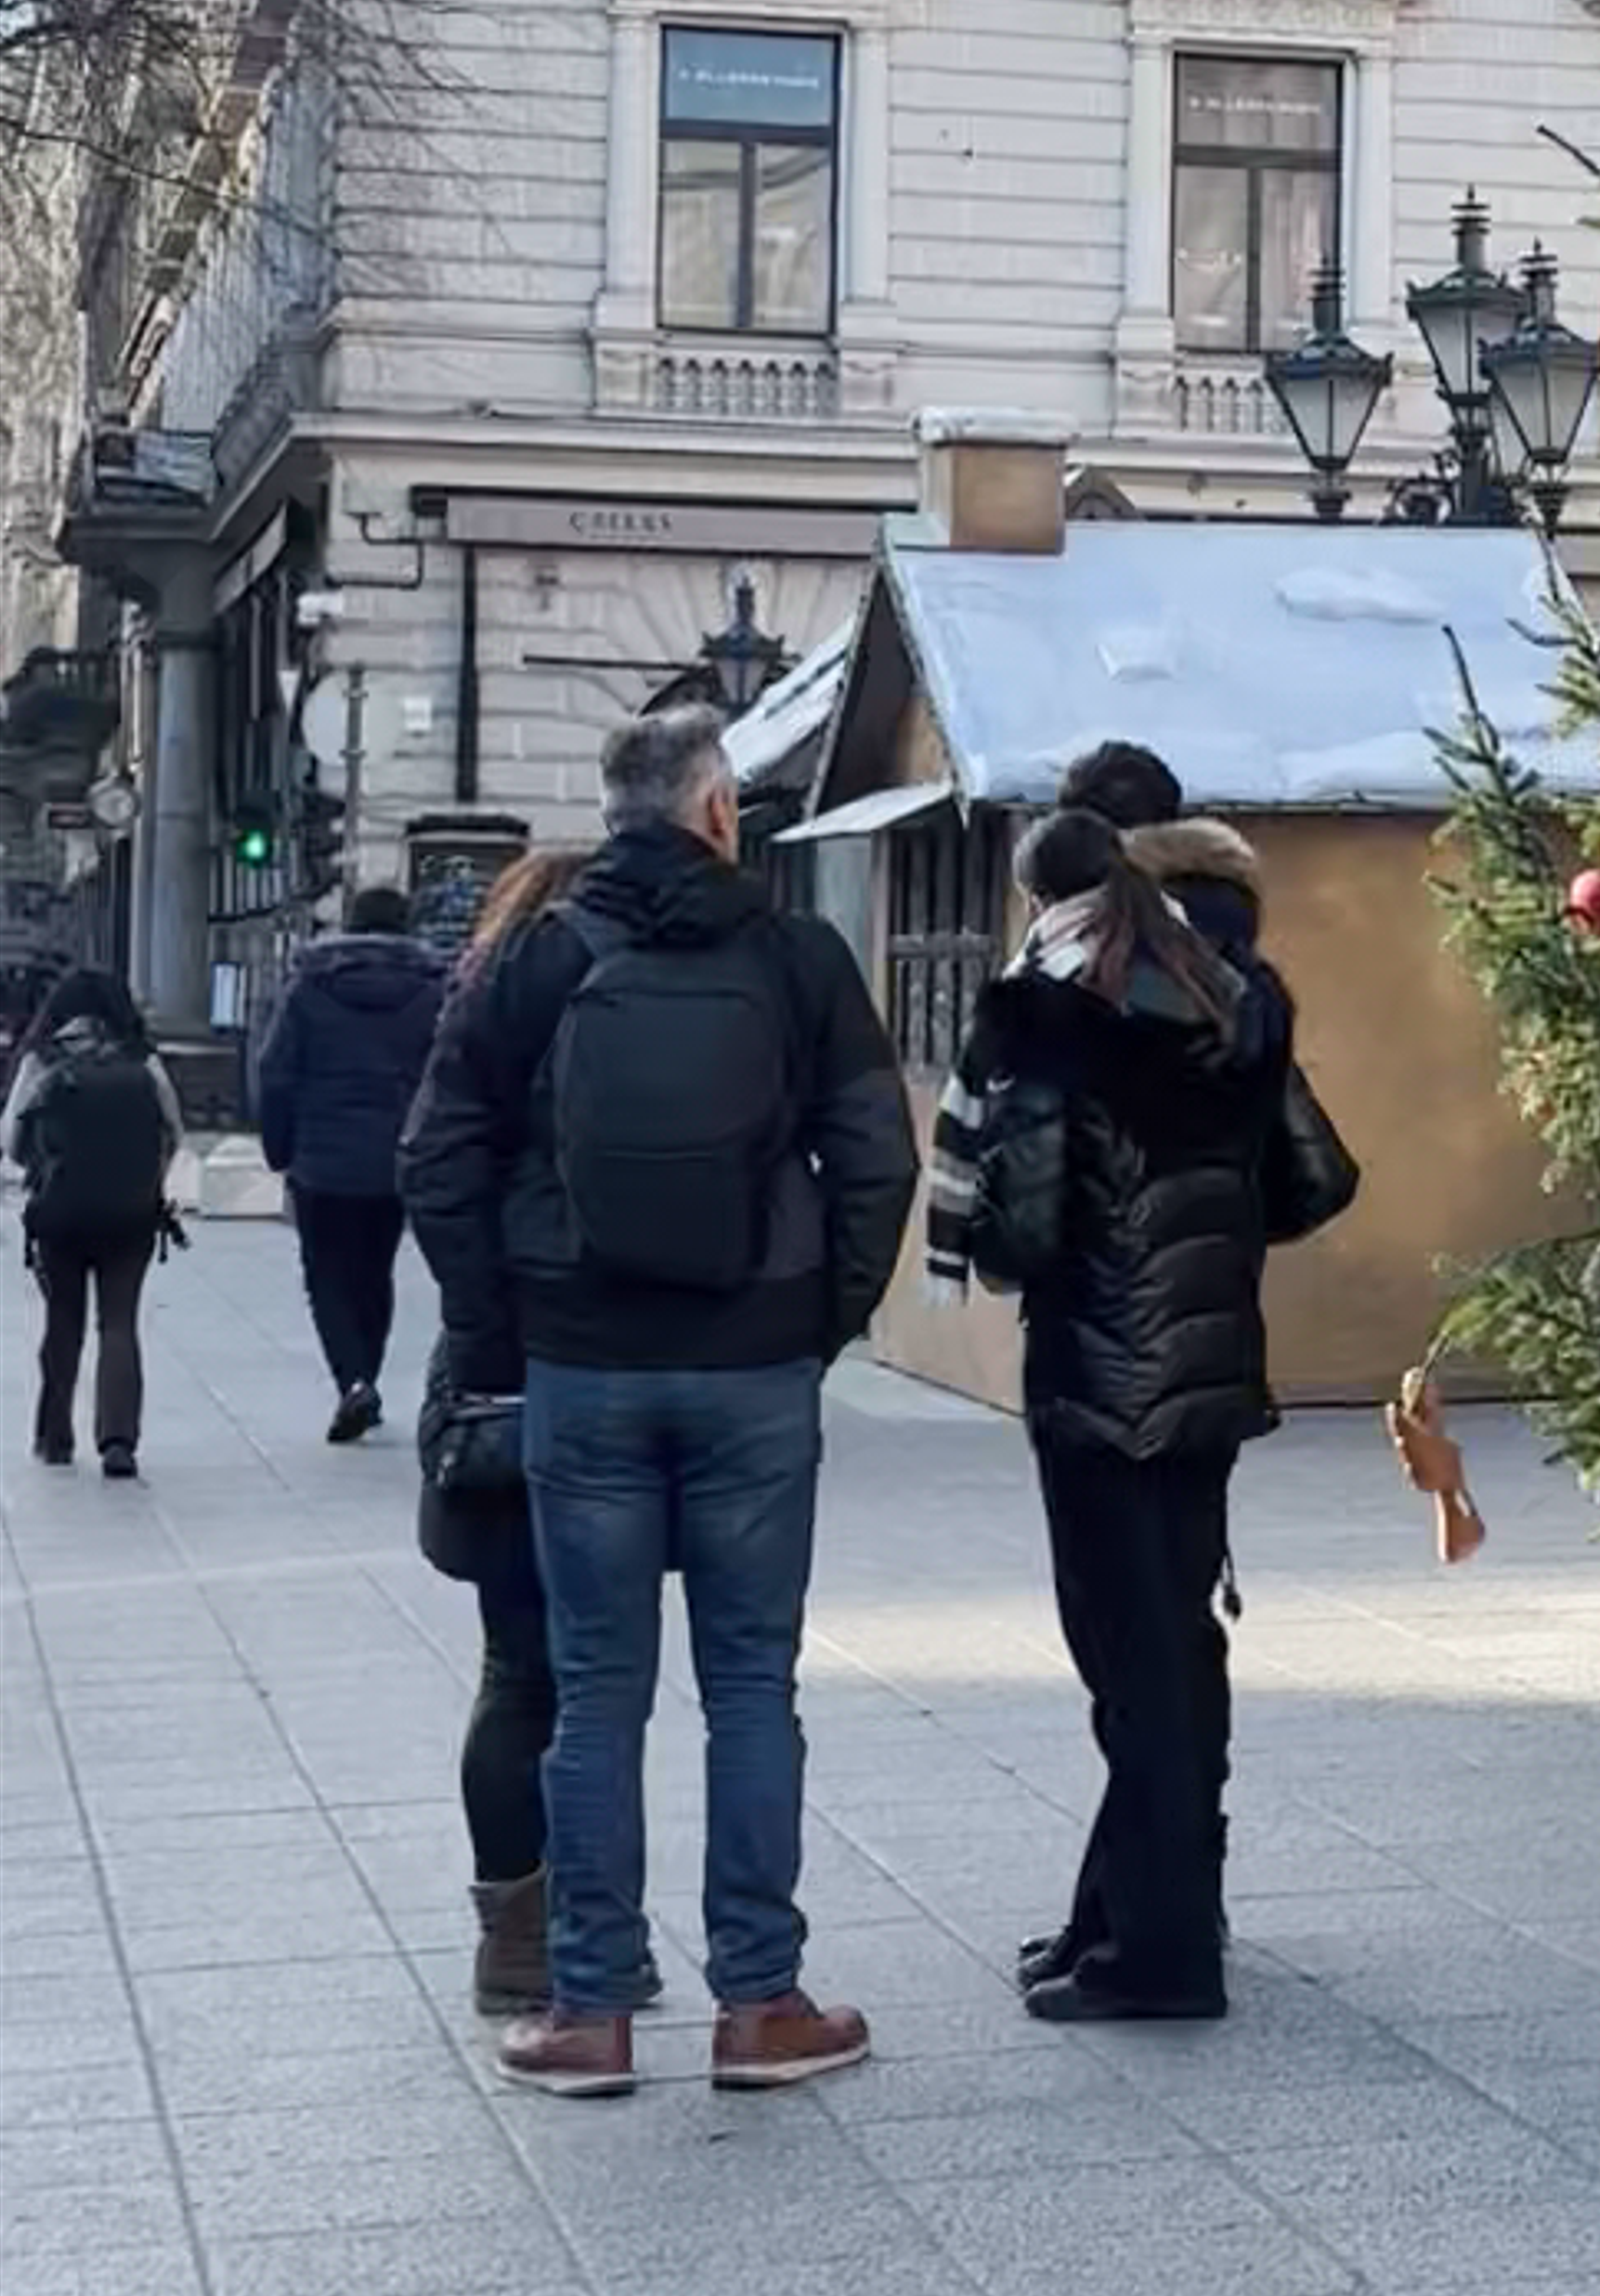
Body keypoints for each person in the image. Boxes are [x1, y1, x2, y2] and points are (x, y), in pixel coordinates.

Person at [400, 697, 915, 2098]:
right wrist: (819, 1320)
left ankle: (590, 2010)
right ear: (719, 811)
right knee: (753, 1682)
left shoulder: (536, 956)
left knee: (595, 1694)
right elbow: (877, 1159)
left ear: (613, 809)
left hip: (584, 1366)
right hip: (754, 1366)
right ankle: (761, 2005)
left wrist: (507, 1324)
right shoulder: (800, 957)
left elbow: (436, 1151)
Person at [924, 743, 1354, 2026]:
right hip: (1211, 1372)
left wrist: (1012, 1220)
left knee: (1134, 1661)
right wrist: (1204, 1225)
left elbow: (1026, 1231)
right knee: (1176, 1644)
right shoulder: (1240, 991)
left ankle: (1160, 1953)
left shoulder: (1060, 998)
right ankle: (1130, 1909)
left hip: (1101, 1378)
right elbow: (1317, 1179)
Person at [408, 850, 606, 2019]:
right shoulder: (628, 1003)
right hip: (609, 1355)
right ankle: (585, 1925)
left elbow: (433, 1165)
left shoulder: (481, 1001)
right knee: (593, 1674)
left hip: (502, 1368)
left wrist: (482, 1332)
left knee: (516, 1666)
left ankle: (513, 1936)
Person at [254, 883, 447, 1439]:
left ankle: (353, 1380)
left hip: (321, 1159)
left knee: (326, 1274)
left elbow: (276, 1071)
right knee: (374, 1271)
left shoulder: (309, 988)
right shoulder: (431, 990)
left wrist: (278, 1146)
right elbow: (446, 1069)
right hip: (395, 1156)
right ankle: (366, 1374)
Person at [9, 970, 182, 1478]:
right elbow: (173, 1130)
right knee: (119, 1322)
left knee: (63, 1319)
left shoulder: (43, 1060)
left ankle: (55, 1435)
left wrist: (44, 1171)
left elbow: (11, 1138)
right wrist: (147, 1179)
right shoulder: (142, 1061)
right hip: (131, 1216)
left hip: (59, 1216)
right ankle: (118, 1441)